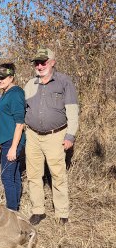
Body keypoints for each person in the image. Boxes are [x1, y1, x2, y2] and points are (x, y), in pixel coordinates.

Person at [24, 47, 79, 225]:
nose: (40, 66)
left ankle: (62, 212)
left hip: (56, 136)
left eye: (43, 62)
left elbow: (72, 111)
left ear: (52, 62)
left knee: (58, 174)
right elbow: (23, 109)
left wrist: (70, 135)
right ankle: (38, 210)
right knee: (34, 175)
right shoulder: (30, 84)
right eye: (37, 63)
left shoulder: (64, 82)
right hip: (32, 135)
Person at [0, 63, 26, 211]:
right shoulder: (6, 93)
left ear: (11, 77)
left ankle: (11, 210)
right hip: (7, 140)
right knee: (14, 174)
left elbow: (20, 123)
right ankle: (15, 207)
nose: (0, 80)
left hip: (12, 142)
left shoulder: (16, 93)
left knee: (6, 177)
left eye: (3, 77)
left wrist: (13, 147)